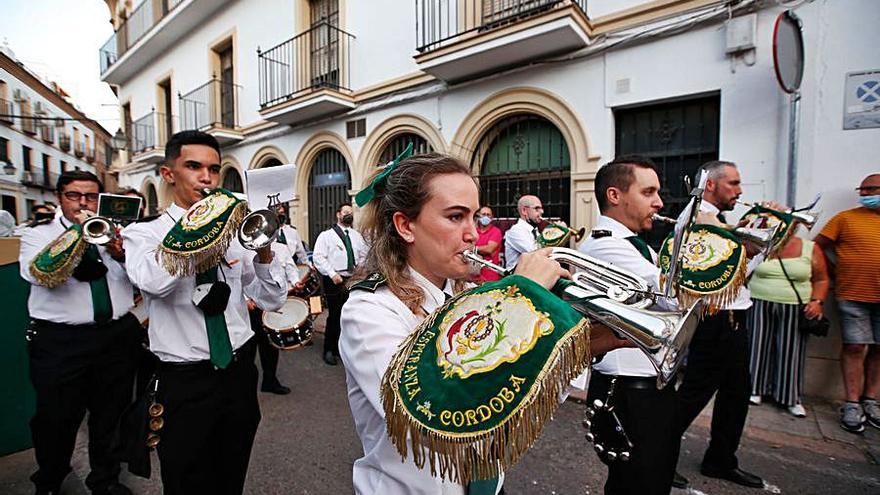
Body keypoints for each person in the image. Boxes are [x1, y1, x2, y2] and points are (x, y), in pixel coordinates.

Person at [339, 152, 630, 494]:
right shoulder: (368, 311)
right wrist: (526, 294)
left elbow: (505, 401)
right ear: (406, 226)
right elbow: (431, 418)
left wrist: (577, 348)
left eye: (475, 217)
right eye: (455, 217)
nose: (473, 235)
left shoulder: (472, 296)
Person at [122, 131, 287, 494]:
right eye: (193, 167)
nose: (207, 178)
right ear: (169, 174)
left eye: (214, 169)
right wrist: (204, 231)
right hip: (184, 382)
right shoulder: (144, 233)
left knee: (231, 477)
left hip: (237, 374)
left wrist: (264, 253)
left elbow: (272, 299)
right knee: (185, 482)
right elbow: (154, 283)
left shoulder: (235, 231)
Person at [19, 170, 141, 495]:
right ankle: (50, 477)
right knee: (55, 419)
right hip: (60, 341)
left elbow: (144, 279)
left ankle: (106, 479)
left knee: (110, 415)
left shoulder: (119, 233)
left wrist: (119, 251)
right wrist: (78, 236)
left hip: (115, 335)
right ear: (59, 197)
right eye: (75, 195)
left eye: (90, 196)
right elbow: (38, 274)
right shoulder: (38, 234)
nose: (83, 203)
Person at [578, 156, 681, 494]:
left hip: (644, 381)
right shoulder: (606, 244)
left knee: (649, 477)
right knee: (640, 483)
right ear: (615, 195)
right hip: (627, 386)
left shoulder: (634, 246)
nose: (659, 202)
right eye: (648, 191)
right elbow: (675, 293)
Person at [674, 161, 772, 489]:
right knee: (693, 394)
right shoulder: (700, 219)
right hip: (715, 318)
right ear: (712, 185)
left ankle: (721, 459)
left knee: (736, 393)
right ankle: (658, 453)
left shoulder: (715, 219)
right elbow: (728, 273)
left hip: (732, 317)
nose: (740, 191)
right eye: (733, 183)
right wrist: (763, 238)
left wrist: (758, 232)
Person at [815, 173, 880, 433]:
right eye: (862, 191)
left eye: (870, 190)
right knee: (855, 346)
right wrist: (830, 272)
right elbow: (817, 247)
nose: (865, 195)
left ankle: (871, 399)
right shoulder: (846, 219)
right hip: (853, 294)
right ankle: (852, 403)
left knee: (879, 349)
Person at [747, 232, 830, 417]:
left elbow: (822, 278)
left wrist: (817, 302)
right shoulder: (762, 244)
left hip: (795, 305)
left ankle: (790, 396)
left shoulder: (810, 247)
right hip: (759, 301)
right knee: (757, 346)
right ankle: (754, 389)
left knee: (791, 350)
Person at [312, 202, 368, 365]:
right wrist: (332, 274)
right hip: (334, 280)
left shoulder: (357, 236)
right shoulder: (326, 236)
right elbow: (318, 257)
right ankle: (329, 349)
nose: (348, 215)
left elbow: (363, 255)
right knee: (335, 315)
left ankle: (344, 349)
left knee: (350, 316)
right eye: (345, 212)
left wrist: (360, 272)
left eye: (350, 212)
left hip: (353, 280)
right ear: (338, 214)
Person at [503, 194, 543, 269]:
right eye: (537, 208)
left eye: (541, 208)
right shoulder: (516, 231)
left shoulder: (534, 231)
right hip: (518, 278)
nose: (542, 212)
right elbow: (536, 253)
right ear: (524, 210)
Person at [473, 205, 503, 283]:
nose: (486, 217)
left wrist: (473, 249)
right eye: (483, 214)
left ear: (492, 217)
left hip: (490, 275)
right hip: (474, 275)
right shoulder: (474, 231)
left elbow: (489, 249)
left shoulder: (496, 231)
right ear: (479, 216)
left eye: (488, 214)